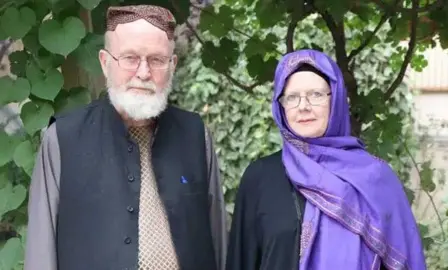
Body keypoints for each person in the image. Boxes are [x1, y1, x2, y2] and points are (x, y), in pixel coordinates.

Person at [24, 4, 227, 270]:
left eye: (156, 60)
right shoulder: (62, 140)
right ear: (105, 63)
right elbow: (41, 255)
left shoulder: (195, 135)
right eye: (130, 58)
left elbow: (219, 243)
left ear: (172, 65)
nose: (143, 73)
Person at [226, 49, 427, 270]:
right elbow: (241, 261)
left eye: (316, 95)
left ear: (336, 99)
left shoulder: (376, 179)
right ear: (280, 106)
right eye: (292, 97)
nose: (303, 106)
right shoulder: (260, 178)